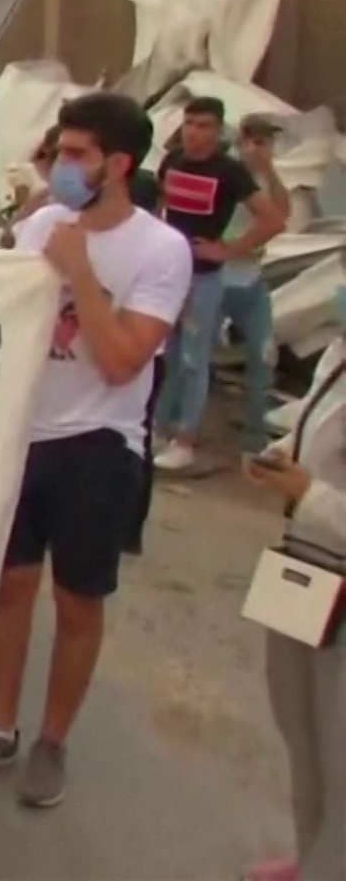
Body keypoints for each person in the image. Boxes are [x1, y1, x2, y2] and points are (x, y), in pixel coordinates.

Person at [0, 92, 192, 810]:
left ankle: (52, 741)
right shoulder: (44, 224)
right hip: (22, 436)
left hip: (97, 445)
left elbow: (123, 360)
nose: (62, 165)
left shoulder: (161, 249)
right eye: (60, 151)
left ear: (118, 164)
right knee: (10, 590)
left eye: (78, 154)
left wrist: (79, 273)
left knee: (77, 601)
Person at [239, 311, 346, 881]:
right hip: (305, 569)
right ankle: (312, 858)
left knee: (341, 753)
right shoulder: (336, 354)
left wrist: (309, 494)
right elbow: (313, 432)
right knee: (303, 737)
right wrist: (282, 457)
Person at [152, 96, 286, 472]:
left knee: (196, 358)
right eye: (190, 123)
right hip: (169, 271)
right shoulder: (172, 161)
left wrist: (227, 250)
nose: (195, 133)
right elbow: (161, 205)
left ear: (218, 130)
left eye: (204, 126)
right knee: (168, 354)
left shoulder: (229, 172)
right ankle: (160, 429)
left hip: (205, 277)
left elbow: (273, 219)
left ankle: (186, 438)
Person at [219, 114, 292, 454]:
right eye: (257, 141)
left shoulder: (267, 179)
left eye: (267, 142)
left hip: (250, 278)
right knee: (192, 355)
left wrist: (270, 171)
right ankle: (173, 426)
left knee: (262, 354)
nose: (262, 148)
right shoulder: (229, 173)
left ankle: (255, 433)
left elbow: (283, 211)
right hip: (218, 275)